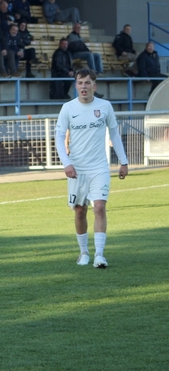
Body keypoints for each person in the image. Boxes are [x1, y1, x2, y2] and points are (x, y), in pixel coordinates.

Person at [54, 68, 128, 269]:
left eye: (88, 83)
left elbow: (114, 133)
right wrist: (66, 163)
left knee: (100, 207)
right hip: (77, 169)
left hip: (99, 168)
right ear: (76, 85)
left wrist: (123, 161)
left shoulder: (105, 107)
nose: (84, 87)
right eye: (80, 83)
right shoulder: (68, 108)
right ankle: (84, 252)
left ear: (94, 85)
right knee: (79, 211)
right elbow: (59, 137)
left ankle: (100, 255)